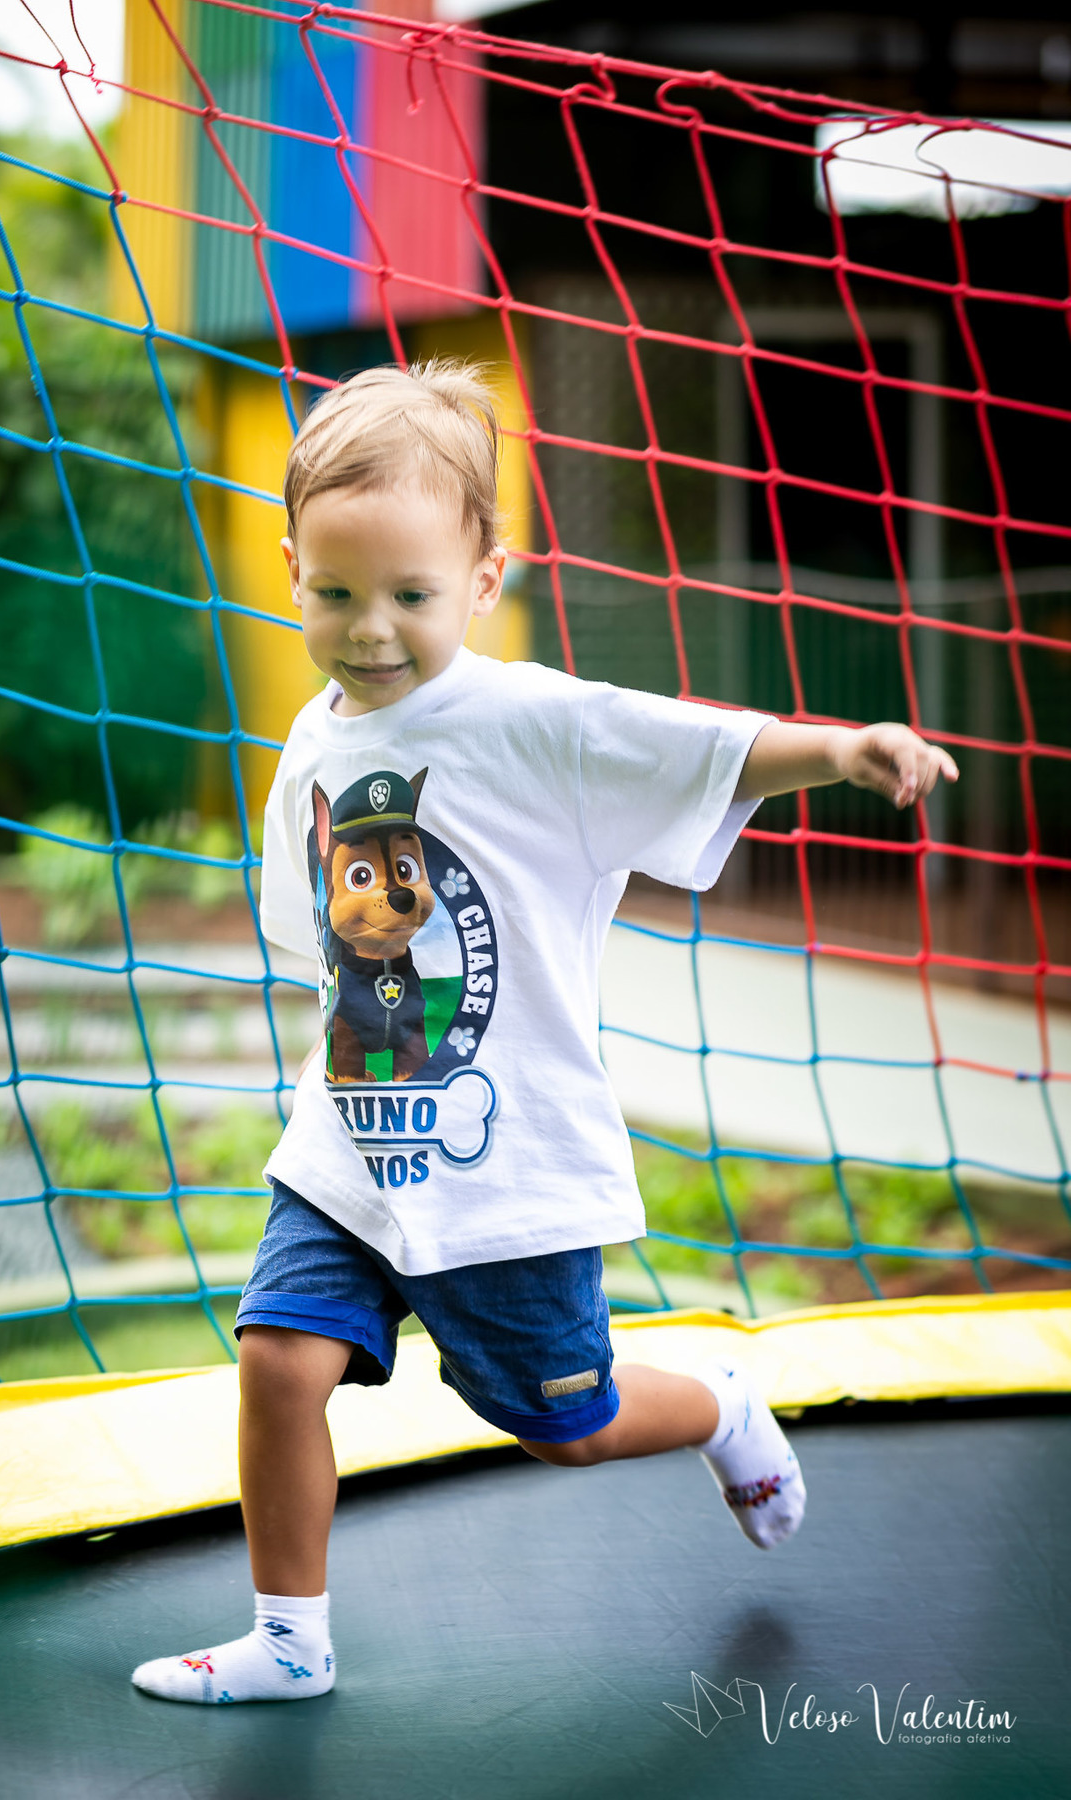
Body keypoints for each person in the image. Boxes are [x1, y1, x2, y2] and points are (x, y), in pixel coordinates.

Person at [132, 361, 958, 1705]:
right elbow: (318, 936)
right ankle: (291, 1637)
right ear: (288, 569)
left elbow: (692, 741)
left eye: (409, 594)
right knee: (279, 1358)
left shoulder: (529, 721)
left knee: (563, 1429)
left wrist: (840, 749)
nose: (372, 628)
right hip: (347, 1148)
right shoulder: (310, 743)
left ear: (482, 581)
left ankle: (722, 1399)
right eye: (336, 593)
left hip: (503, 1165)